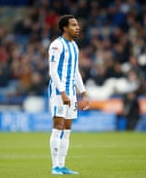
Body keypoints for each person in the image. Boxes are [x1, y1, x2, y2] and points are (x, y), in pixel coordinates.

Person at [48, 14, 90, 175]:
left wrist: (84, 93)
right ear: (65, 27)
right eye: (73, 25)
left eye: (77, 25)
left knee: (68, 129)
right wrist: (62, 92)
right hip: (59, 92)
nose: (77, 27)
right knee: (58, 127)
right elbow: (53, 71)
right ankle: (54, 167)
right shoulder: (56, 45)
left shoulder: (74, 46)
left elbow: (75, 71)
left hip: (71, 93)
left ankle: (62, 165)